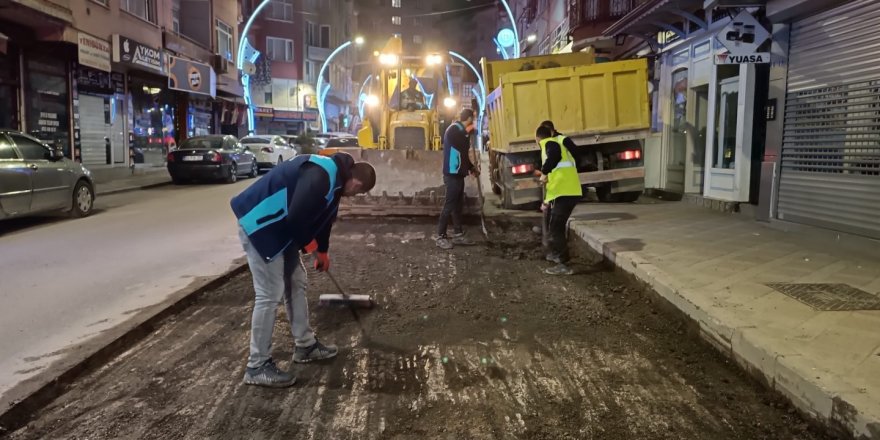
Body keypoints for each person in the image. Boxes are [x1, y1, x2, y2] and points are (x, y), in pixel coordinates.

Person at [230, 152, 376, 387]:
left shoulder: (337, 183)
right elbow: (297, 218)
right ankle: (257, 366)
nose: (353, 196)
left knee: (296, 281)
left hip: (280, 229)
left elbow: (325, 218)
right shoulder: (321, 175)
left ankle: (305, 345)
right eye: (357, 192)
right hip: (261, 224)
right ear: (356, 182)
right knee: (269, 293)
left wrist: (323, 250)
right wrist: (312, 247)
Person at [533, 125, 582, 275]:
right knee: (555, 225)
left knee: (555, 227)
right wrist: (546, 201)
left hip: (566, 192)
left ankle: (563, 263)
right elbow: (555, 179)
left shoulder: (549, 143)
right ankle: (557, 256)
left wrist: (544, 171)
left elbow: (555, 155)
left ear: (537, 138)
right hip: (564, 192)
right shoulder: (557, 142)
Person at [436, 108, 478, 250]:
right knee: (449, 205)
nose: (474, 121)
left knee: (457, 206)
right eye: (473, 119)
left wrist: (471, 168)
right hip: (452, 174)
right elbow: (461, 145)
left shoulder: (461, 131)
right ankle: (440, 236)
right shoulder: (454, 129)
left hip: (458, 173)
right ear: (469, 118)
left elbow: (463, 154)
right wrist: (470, 131)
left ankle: (458, 233)